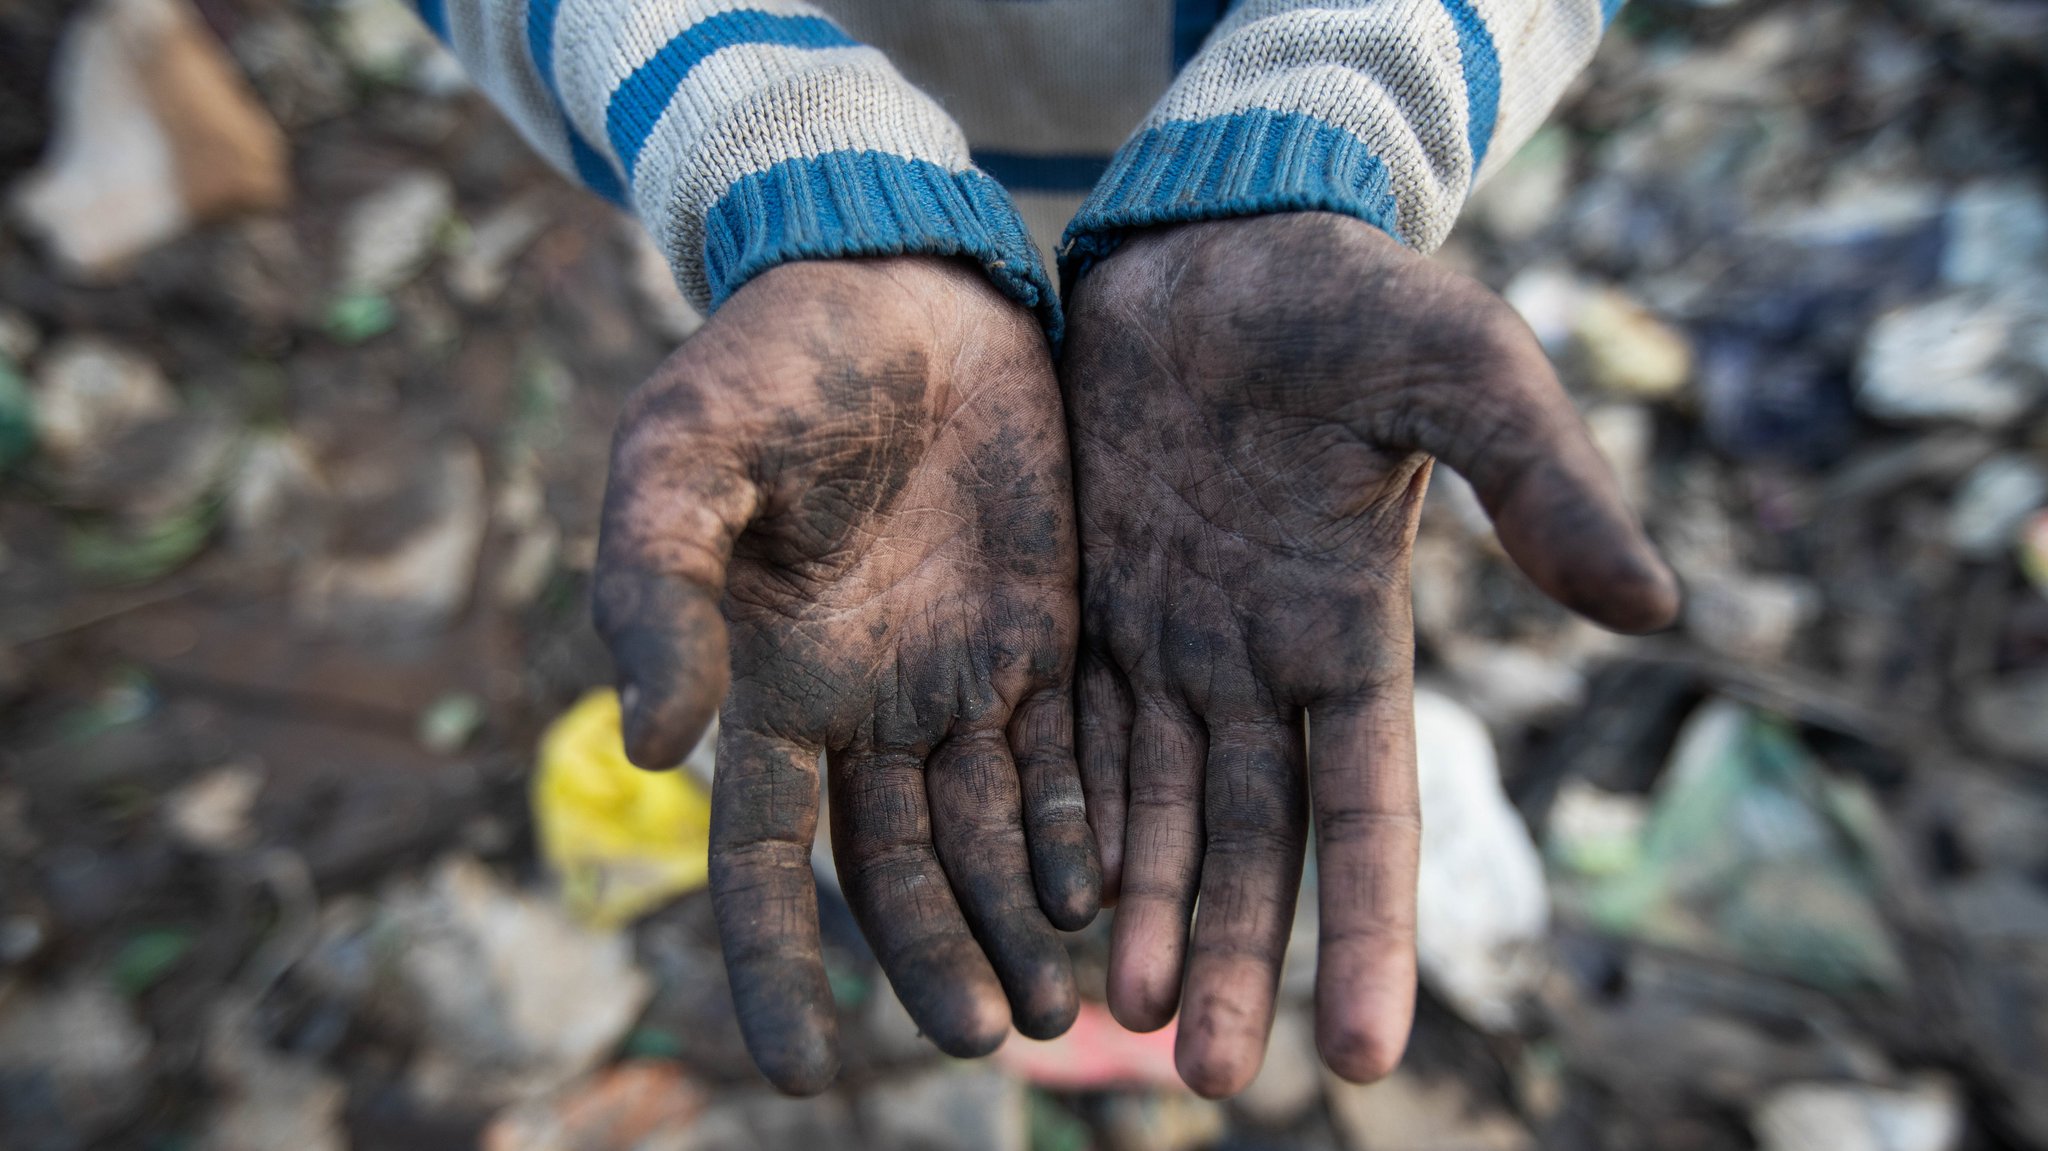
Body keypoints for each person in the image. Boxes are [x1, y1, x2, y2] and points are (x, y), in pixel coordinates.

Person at [415, 0, 1681, 1098]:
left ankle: (1092, 937)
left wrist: (1322, 125)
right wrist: (782, 172)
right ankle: (924, 893)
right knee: (861, 643)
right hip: (775, 206)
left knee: (1167, 719)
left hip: (1266, 175)